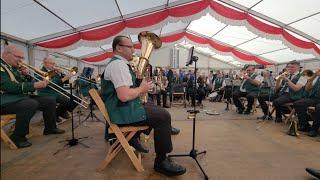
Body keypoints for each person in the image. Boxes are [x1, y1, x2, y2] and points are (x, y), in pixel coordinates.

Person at [101, 35, 186, 176]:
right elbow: (124, 96)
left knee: (154, 107)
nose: (134, 50)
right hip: (122, 113)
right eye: (130, 47)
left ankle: (138, 137)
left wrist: (141, 87)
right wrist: (142, 89)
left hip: (122, 109)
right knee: (163, 116)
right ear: (119, 48)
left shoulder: (119, 64)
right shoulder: (118, 65)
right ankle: (161, 162)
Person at [0, 45, 65, 148]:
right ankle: (18, 137)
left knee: (50, 101)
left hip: (17, 98)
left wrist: (25, 75)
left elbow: (21, 83)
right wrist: (34, 85)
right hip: (4, 101)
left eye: (22, 58)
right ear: (6, 54)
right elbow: (9, 87)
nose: (21, 60)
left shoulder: (12, 67)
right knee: (30, 104)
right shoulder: (2, 67)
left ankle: (50, 128)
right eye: (18, 57)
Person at [37, 57, 77, 122]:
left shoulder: (53, 72)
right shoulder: (41, 71)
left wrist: (61, 73)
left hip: (56, 91)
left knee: (76, 99)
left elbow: (64, 82)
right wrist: (64, 78)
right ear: (45, 63)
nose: (53, 65)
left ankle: (60, 112)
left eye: (54, 63)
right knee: (66, 100)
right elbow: (50, 84)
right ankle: (58, 114)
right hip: (47, 92)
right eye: (51, 63)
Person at [293, 69, 320, 137]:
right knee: (298, 103)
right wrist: (313, 77)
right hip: (315, 98)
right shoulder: (316, 78)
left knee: (319, 107)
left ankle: (314, 129)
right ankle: (305, 125)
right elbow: (307, 89)